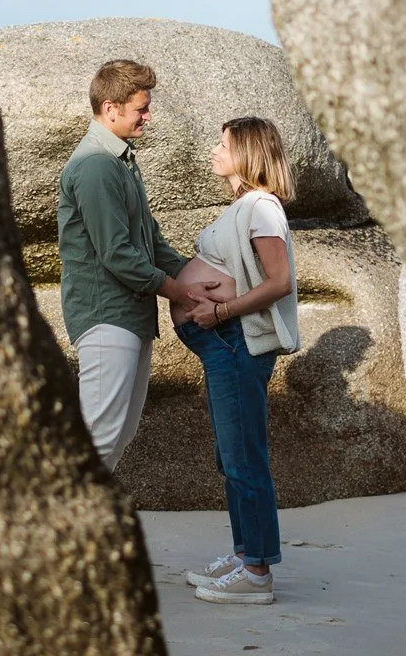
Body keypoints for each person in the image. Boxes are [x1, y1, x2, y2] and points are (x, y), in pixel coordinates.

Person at [57, 59, 219, 471]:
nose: (148, 116)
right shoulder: (96, 165)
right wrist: (180, 292)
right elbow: (116, 254)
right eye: (140, 109)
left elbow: (151, 242)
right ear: (111, 108)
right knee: (98, 436)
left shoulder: (122, 161)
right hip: (104, 317)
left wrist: (197, 276)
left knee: (118, 434)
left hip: (130, 317)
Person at [173, 116, 301, 605]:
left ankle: (257, 573)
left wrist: (220, 310)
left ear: (246, 151)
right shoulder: (243, 207)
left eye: (222, 143)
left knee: (245, 454)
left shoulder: (263, 208)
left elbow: (278, 281)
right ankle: (245, 551)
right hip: (222, 341)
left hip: (237, 340)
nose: (213, 150)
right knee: (230, 455)